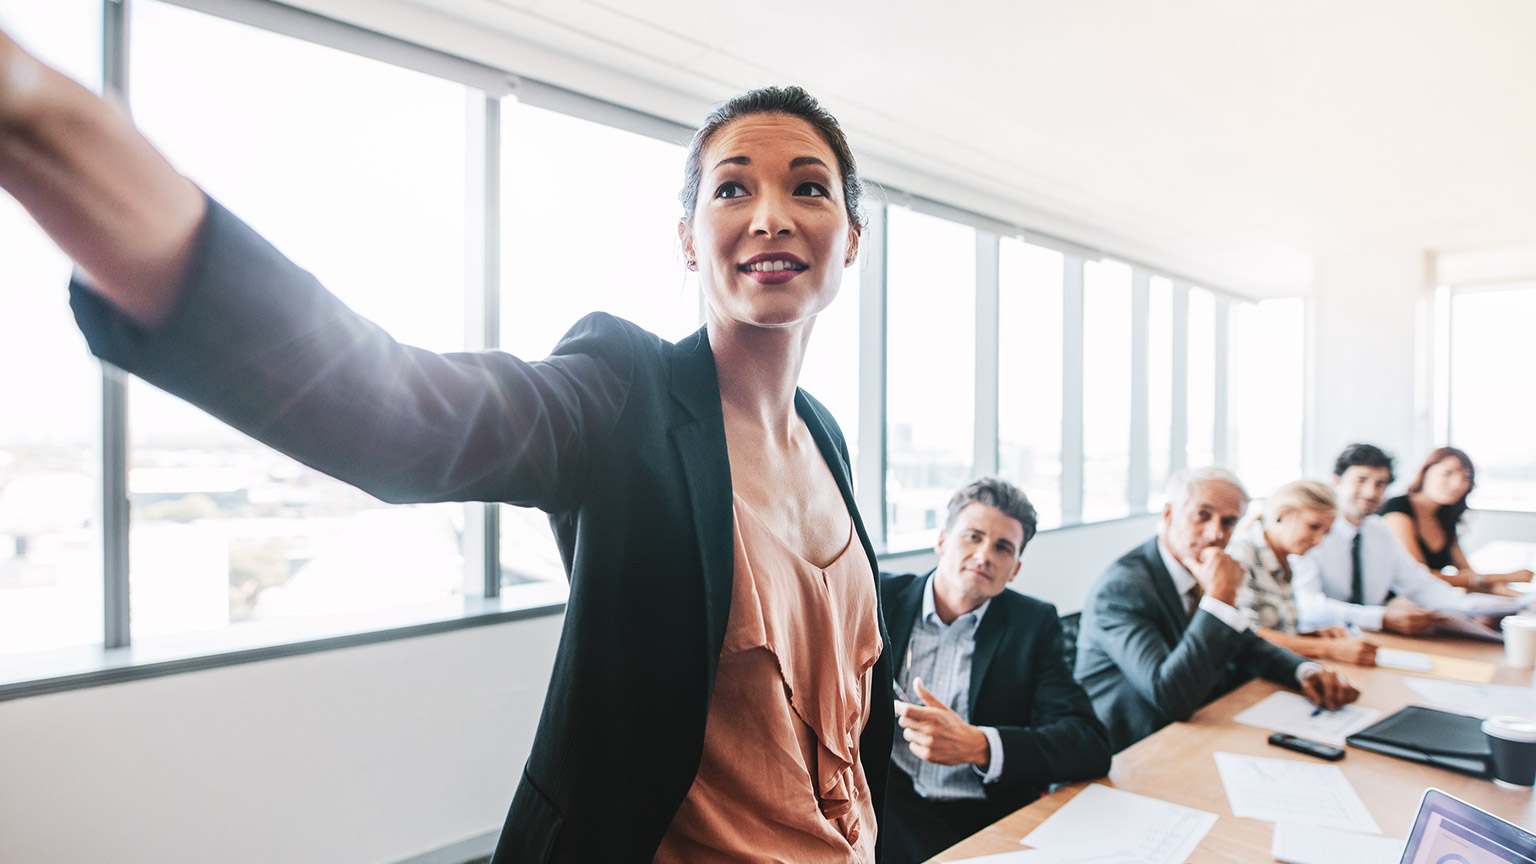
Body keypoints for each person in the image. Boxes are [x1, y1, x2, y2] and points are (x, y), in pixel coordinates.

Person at [0, 30, 890, 863]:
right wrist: (43, 116)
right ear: (689, 241)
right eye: (732, 188)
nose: (770, 214)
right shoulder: (625, 391)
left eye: (808, 186)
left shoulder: (826, 440)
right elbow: (395, 411)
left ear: (850, 238)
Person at [880, 478, 1110, 864]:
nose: (984, 555)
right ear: (942, 541)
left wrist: (978, 745)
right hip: (888, 807)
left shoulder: (1033, 625)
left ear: (1015, 569)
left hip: (984, 818)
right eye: (973, 536)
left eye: (1002, 547)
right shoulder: (879, 598)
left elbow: (1090, 744)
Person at [1075, 467, 1359, 753]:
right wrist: (1220, 596)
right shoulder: (1123, 588)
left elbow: (1246, 644)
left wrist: (1303, 671)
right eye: (1202, 515)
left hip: (1194, 732)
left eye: (1229, 521)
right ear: (1168, 514)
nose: (1216, 534)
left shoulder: (1198, 568)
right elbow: (1170, 696)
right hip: (1130, 748)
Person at [1293, 444, 1498, 634]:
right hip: (1322, 639)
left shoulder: (1380, 532)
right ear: (1336, 481)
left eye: (1380, 483)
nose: (1371, 492)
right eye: (1361, 480)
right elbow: (1308, 606)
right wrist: (1381, 618)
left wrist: (1478, 607)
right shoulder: (1311, 533)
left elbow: (1421, 584)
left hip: (1373, 639)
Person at [1229, 479, 1378, 665]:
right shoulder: (1242, 556)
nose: (1318, 541)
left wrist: (1313, 637)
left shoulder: (1285, 560)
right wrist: (1330, 648)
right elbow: (1247, 636)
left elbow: (1276, 630)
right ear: (1282, 514)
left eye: (1326, 533)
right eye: (1314, 526)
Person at [1380, 447, 1533, 596]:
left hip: (1427, 601)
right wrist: (1504, 576)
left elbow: (1469, 577)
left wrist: (1522, 598)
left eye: (1466, 477)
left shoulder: (1443, 515)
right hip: (1394, 602)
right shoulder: (1398, 509)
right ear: (1426, 472)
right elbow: (1421, 578)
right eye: (1447, 473)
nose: (1457, 484)